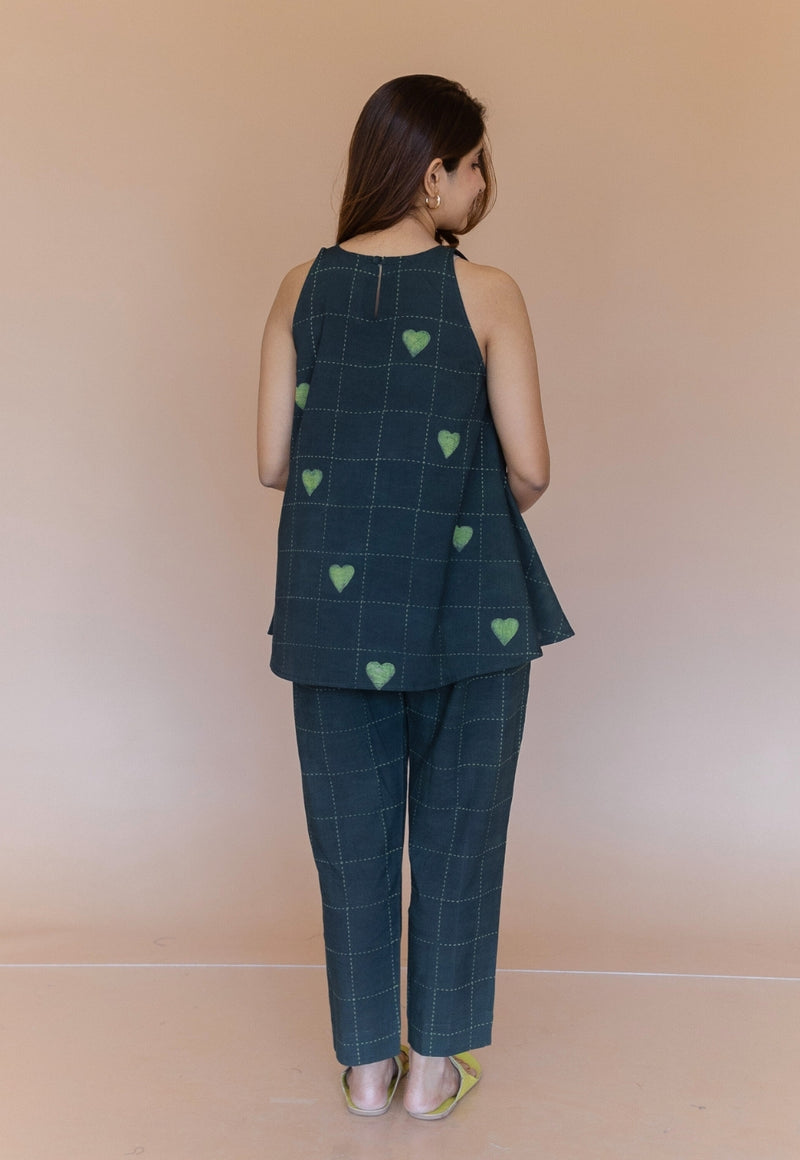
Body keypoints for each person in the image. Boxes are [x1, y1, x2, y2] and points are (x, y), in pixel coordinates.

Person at [257, 75, 573, 1120]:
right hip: (471, 604)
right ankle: (433, 1070)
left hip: (330, 613)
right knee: (458, 838)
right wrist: (452, 504)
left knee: (348, 845)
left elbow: (272, 462)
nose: (482, 184)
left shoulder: (298, 286)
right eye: (475, 164)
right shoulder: (489, 292)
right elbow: (532, 468)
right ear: (433, 174)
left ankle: (364, 1070)